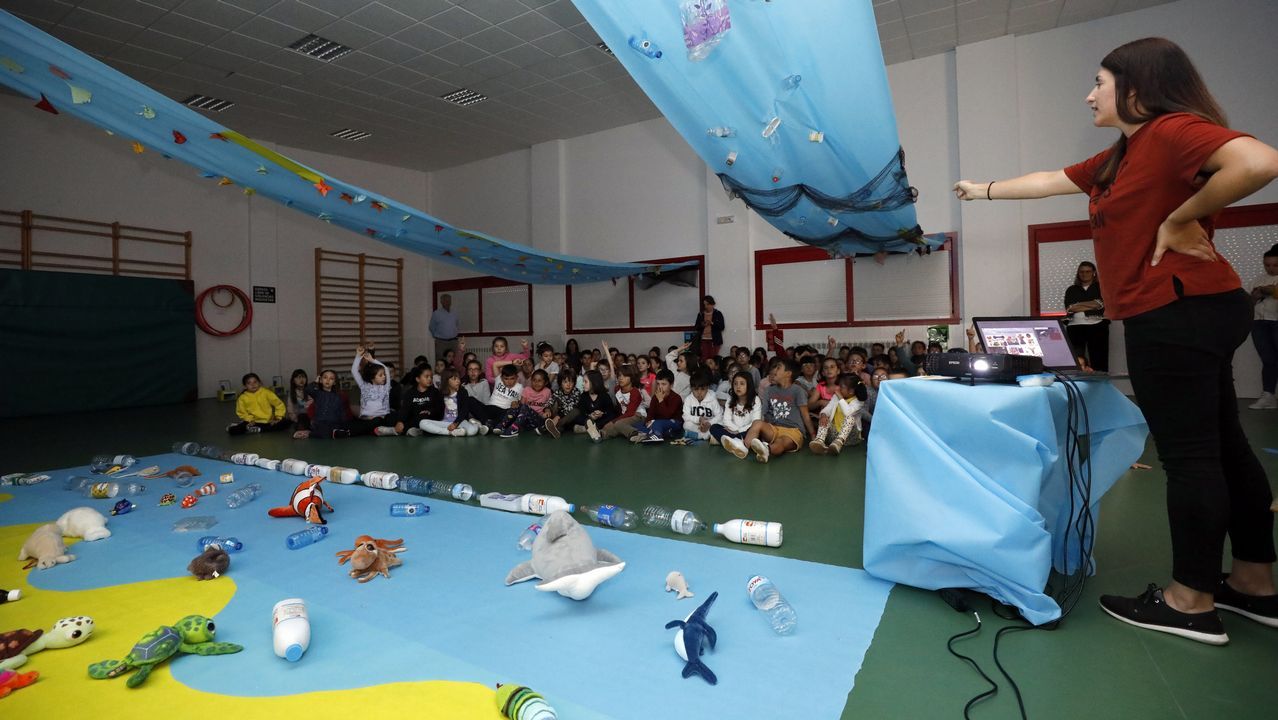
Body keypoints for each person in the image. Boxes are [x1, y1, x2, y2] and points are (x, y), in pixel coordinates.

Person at [954, 37, 1278, 644]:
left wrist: (1179, 219)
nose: (1089, 94)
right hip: (1196, 308)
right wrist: (986, 189)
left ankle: (1189, 600)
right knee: (1226, 446)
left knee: (1190, 458)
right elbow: (1051, 179)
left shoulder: (1171, 131)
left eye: (1099, 82)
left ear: (1137, 86)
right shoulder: (1121, 156)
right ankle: (1255, 584)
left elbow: (1259, 162)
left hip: (1176, 309)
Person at [741, 358, 814, 463]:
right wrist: (760, 429)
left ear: (788, 374)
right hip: (774, 428)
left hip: (794, 431)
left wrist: (812, 435)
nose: (774, 370)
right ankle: (743, 448)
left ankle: (767, 450)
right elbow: (764, 412)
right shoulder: (769, 390)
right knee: (757, 423)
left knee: (781, 441)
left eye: (778, 367)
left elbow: (805, 415)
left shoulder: (798, 391)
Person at [1064, 261, 1111, 371]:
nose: (1084, 274)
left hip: (1097, 326)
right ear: (1078, 273)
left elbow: (1101, 304)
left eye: (1088, 271)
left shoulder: (1101, 288)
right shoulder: (1071, 289)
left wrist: (1078, 305)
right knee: (1076, 360)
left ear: (1094, 273)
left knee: (1099, 360)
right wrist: (1093, 304)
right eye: (1081, 272)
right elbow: (1070, 308)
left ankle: (1100, 386)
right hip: (1075, 327)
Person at [1247, 244, 1278, 409]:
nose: (1270, 268)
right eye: (1267, 265)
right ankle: (1268, 395)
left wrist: (1271, 291)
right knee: (1268, 360)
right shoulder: (1257, 280)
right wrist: (1255, 296)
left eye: (1275, 265)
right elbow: (1247, 302)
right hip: (1259, 323)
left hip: (1276, 321)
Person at [809, 373, 867, 456]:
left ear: (850, 391)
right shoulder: (836, 396)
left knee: (850, 418)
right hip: (833, 436)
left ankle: (839, 442)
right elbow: (828, 408)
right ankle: (819, 441)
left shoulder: (858, 401)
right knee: (825, 417)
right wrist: (823, 414)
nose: (838, 388)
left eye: (842, 387)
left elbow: (848, 412)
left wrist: (840, 397)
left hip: (850, 438)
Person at [418, 368, 481, 437]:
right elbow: (437, 409)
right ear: (446, 381)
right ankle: (450, 432)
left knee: (472, 431)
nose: (458, 381)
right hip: (445, 423)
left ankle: (474, 425)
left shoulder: (463, 392)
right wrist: (430, 412)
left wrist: (455, 423)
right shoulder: (440, 394)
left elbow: (464, 410)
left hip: (459, 422)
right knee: (422, 423)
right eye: (454, 379)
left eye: (458, 378)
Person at [350, 346, 397, 436]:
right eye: (380, 375)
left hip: (383, 417)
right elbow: (354, 371)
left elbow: (386, 369)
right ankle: (382, 430)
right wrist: (358, 356)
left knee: (394, 416)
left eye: (384, 375)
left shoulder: (385, 387)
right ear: (372, 377)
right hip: (368, 419)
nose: (384, 376)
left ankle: (381, 430)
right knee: (373, 422)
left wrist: (373, 360)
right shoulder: (364, 386)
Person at [715, 370, 763, 458]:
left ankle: (735, 443)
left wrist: (738, 431)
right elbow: (726, 420)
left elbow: (755, 422)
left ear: (748, 385)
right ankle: (739, 443)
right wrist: (735, 430)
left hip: (747, 431)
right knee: (714, 428)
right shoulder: (730, 399)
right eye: (735, 384)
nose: (738, 387)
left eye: (742, 383)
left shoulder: (755, 400)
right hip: (733, 430)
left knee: (756, 431)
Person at [299, 369, 351, 440]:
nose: (328, 380)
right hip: (320, 423)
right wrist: (315, 382)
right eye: (325, 377)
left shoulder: (338, 396)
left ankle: (333, 433)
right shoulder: (317, 393)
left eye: (331, 378)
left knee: (333, 428)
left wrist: (344, 424)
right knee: (321, 429)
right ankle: (329, 434)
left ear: (334, 382)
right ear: (321, 380)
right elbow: (307, 389)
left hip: (333, 423)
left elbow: (341, 412)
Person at [396, 365, 442, 437]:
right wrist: (400, 421)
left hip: (429, 419)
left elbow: (440, 409)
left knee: (423, 417)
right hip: (413, 419)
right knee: (392, 416)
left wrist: (429, 411)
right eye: (426, 377)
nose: (430, 379)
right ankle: (412, 430)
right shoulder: (410, 393)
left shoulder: (435, 392)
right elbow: (405, 409)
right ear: (418, 379)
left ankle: (397, 430)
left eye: (431, 377)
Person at [682, 370, 722, 442]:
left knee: (720, 425)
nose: (699, 392)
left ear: (707, 388)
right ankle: (706, 436)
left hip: (710, 424)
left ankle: (699, 436)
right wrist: (698, 419)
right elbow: (685, 416)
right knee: (686, 425)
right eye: (696, 389)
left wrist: (709, 423)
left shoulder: (712, 399)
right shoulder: (688, 399)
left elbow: (719, 415)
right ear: (691, 389)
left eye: (703, 389)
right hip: (697, 425)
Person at [692, 294, 726, 360]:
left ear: (713, 304)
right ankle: (705, 370)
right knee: (704, 358)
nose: (706, 306)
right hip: (703, 339)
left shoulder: (718, 313)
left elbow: (722, 327)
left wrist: (712, 323)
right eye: (704, 304)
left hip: (714, 340)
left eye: (707, 304)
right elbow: (696, 327)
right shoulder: (701, 314)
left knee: (713, 358)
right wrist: (702, 325)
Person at [429, 293, 460, 361]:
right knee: (441, 360)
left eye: (449, 300)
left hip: (453, 341)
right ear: (441, 302)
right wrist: (437, 336)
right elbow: (431, 327)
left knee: (455, 360)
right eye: (445, 300)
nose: (447, 302)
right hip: (441, 342)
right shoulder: (436, 313)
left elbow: (457, 325)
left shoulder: (455, 313)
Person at [284, 369, 312, 438]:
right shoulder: (292, 393)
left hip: (310, 417)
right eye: (298, 377)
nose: (301, 379)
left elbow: (314, 405)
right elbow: (290, 409)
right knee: (301, 416)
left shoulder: (310, 390)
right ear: (293, 380)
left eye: (303, 377)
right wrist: (295, 419)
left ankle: (304, 430)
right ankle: (303, 430)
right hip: (298, 418)